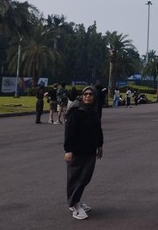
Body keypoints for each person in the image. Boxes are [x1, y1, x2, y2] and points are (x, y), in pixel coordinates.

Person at [64, 85, 104, 220]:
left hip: (90, 150)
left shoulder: (93, 112)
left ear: (94, 97)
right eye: (85, 94)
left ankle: (76, 200)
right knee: (76, 178)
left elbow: (98, 129)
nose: (87, 96)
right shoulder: (76, 111)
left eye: (90, 94)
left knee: (85, 177)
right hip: (77, 151)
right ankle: (74, 205)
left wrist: (100, 145)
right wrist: (68, 150)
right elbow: (69, 132)